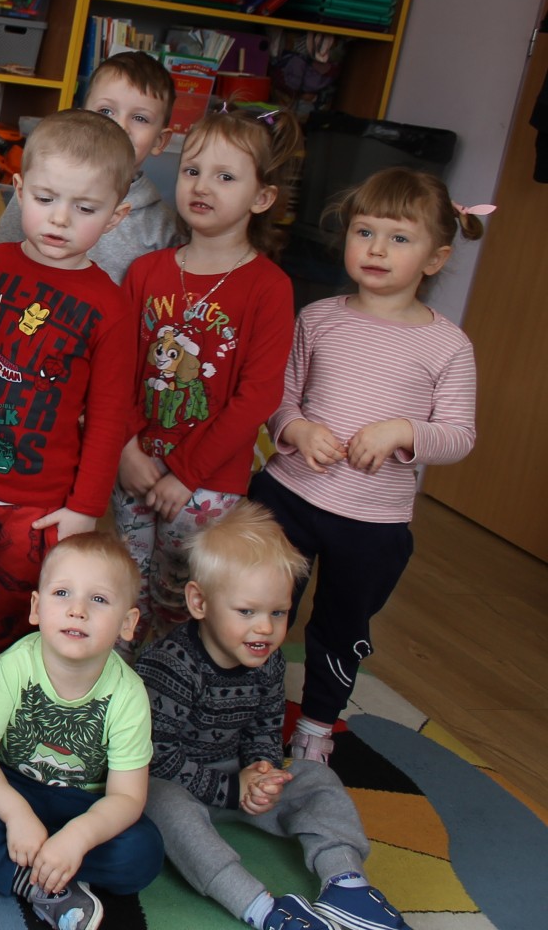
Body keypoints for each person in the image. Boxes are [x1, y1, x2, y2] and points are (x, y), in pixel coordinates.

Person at [0, 109, 138, 727]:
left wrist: (85, 508)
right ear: (19, 190)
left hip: (37, 508)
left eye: (84, 208)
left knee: (16, 623)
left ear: (116, 216)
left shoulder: (110, 308)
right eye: (45, 198)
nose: (60, 219)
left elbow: (110, 419)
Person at [250, 167, 480, 765]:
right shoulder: (318, 318)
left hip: (372, 522)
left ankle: (315, 727)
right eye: (364, 231)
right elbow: (280, 396)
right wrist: (296, 429)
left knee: (341, 625)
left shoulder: (448, 346)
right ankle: (242, 707)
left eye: (399, 238)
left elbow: (459, 436)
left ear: (436, 258)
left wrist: (404, 431)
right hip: (289, 495)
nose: (376, 249)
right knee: (255, 605)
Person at [136, 504, 411, 930]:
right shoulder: (170, 665)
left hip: (237, 777)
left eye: (277, 613)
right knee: (161, 804)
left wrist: (263, 770)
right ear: (199, 602)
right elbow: (156, 755)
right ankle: (261, 908)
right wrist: (232, 789)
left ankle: (345, 883)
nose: (264, 628)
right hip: (175, 780)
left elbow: (264, 724)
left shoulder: (269, 661)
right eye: (247, 612)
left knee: (317, 778)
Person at [0, 531, 164, 930]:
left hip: (81, 806)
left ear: (127, 623)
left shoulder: (129, 695)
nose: (77, 610)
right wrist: (16, 815)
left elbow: (127, 798)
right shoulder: (14, 665)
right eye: (62, 593)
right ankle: (35, 880)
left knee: (143, 853)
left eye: (98, 599)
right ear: (36, 607)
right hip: (8, 787)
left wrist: (77, 838)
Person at [113, 108, 303, 643]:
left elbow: (257, 397)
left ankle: (170, 685)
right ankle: (115, 684)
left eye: (225, 176)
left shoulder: (269, 287)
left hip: (206, 486)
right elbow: (117, 369)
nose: (201, 186)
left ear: (261, 198)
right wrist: (126, 448)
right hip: (134, 469)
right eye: (193, 170)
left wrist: (185, 473)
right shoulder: (147, 271)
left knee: (184, 604)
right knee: (125, 591)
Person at [0, 50, 180, 283]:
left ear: (160, 141)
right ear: (81, 117)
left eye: (140, 118)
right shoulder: (39, 189)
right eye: (105, 111)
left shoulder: (161, 226)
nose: (120, 126)